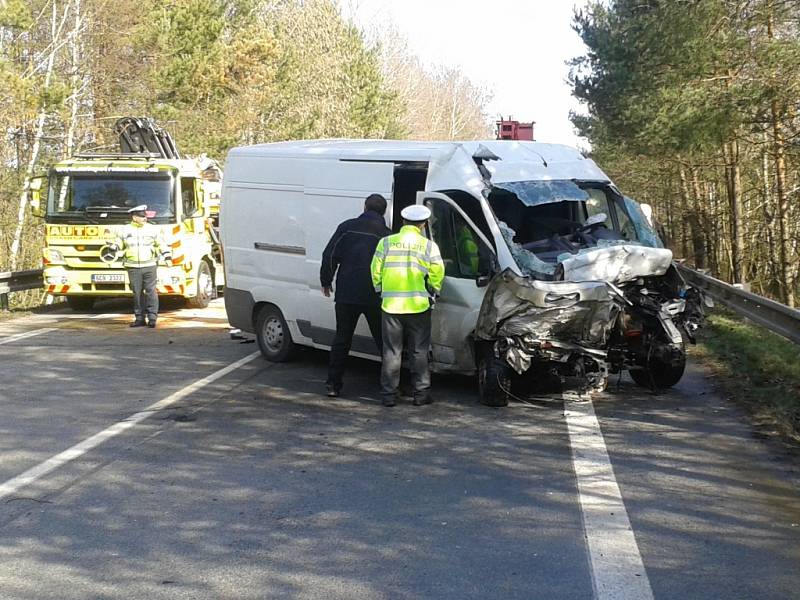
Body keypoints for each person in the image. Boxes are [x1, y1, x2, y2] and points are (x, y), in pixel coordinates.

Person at [370, 204, 444, 407]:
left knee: (391, 351)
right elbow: (438, 273)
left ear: (403, 222)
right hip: (418, 306)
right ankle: (421, 394)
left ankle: (388, 395)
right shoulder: (429, 246)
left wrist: (380, 290)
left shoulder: (386, 243)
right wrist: (432, 290)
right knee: (419, 351)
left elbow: (375, 270)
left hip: (391, 306)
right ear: (423, 225)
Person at [320, 193, 392, 397]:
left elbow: (330, 254)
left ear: (364, 207)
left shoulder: (346, 227)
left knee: (342, 338)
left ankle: (333, 384)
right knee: (384, 342)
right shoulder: (387, 234)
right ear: (384, 211)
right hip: (374, 295)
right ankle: (389, 386)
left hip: (346, 293)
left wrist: (326, 280)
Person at [110, 205, 171, 328]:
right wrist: (113, 248)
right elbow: (118, 243)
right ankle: (139, 318)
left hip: (149, 265)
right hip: (132, 266)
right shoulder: (124, 230)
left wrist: (167, 256)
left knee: (151, 292)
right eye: (141, 216)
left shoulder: (152, 229)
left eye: (145, 216)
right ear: (134, 217)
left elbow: (161, 244)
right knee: (137, 293)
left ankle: (152, 318)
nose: (144, 219)